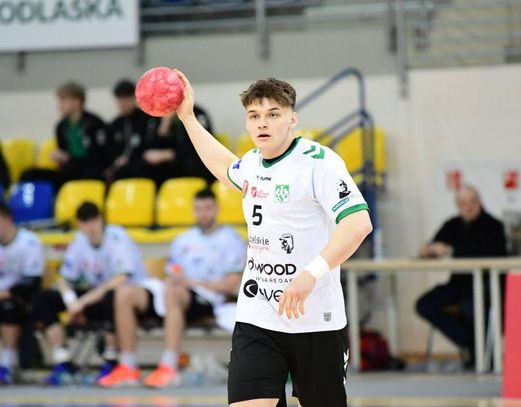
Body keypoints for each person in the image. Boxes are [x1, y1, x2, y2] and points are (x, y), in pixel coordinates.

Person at [172, 72, 373, 407]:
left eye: (273, 114)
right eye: (254, 116)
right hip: (258, 316)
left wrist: (310, 274)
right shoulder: (251, 164)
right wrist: (188, 118)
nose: (262, 123)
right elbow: (224, 166)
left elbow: (358, 224)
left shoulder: (319, 163)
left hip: (316, 321)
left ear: (292, 119)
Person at [98, 188, 246, 388]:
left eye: (207, 208)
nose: (203, 214)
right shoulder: (183, 239)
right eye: (198, 209)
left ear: (217, 209)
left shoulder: (231, 239)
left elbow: (231, 284)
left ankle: (168, 367)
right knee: (124, 294)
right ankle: (127, 366)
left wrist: (193, 283)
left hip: (207, 298)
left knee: (173, 294)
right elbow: (171, 272)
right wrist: (172, 280)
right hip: (174, 291)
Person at [33, 202, 153, 385]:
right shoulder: (79, 241)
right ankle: (62, 360)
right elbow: (64, 279)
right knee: (44, 298)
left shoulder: (117, 237)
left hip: (127, 300)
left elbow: (120, 279)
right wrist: (71, 301)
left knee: (112, 295)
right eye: (84, 222)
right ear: (79, 224)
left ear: (100, 220)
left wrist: (83, 302)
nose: (90, 227)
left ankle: (112, 360)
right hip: (93, 298)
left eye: (93, 221)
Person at [415, 185, 507, 367]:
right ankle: (468, 342)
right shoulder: (452, 225)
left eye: (473, 201)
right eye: (463, 203)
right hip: (458, 284)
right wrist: (428, 250)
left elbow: (489, 252)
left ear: (480, 203)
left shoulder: (493, 225)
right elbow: (435, 245)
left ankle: (479, 353)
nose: (469, 206)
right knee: (424, 304)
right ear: (458, 206)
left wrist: (452, 250)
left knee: (469, 307)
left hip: (486, 285)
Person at [0, 203, 44, 384]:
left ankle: (6, 365)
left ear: (7, 220)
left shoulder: (29, 242)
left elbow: (32, 281)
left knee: (8, 307)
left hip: (21, 298)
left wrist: (7, 293)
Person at [51, 82, 109, 185]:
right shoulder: (61, 126)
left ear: (77, 101)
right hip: (70, 168)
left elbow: (100, 156)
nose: (59, 105)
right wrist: (59, 157)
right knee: (32, 174)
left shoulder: (95, 123)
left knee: (88, 173)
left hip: (90, 169)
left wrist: (69, 159)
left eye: (63, 101)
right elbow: (62, 152)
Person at [105, 80, 161, 184]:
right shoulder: (114, 125)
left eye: (126, 99)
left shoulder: (147, 120)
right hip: (121, 170)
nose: (123, 103)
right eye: (120, 99)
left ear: (134, 98)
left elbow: (150, 145)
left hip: (141, 167)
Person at [157, 106, 215, 184]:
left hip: (194, 161)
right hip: (174, 163)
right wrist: (165, 125)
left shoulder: (198, 113)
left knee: (191, 164)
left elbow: (204, 145)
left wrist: (174, 154)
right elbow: (157, 145)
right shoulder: (161, 114)